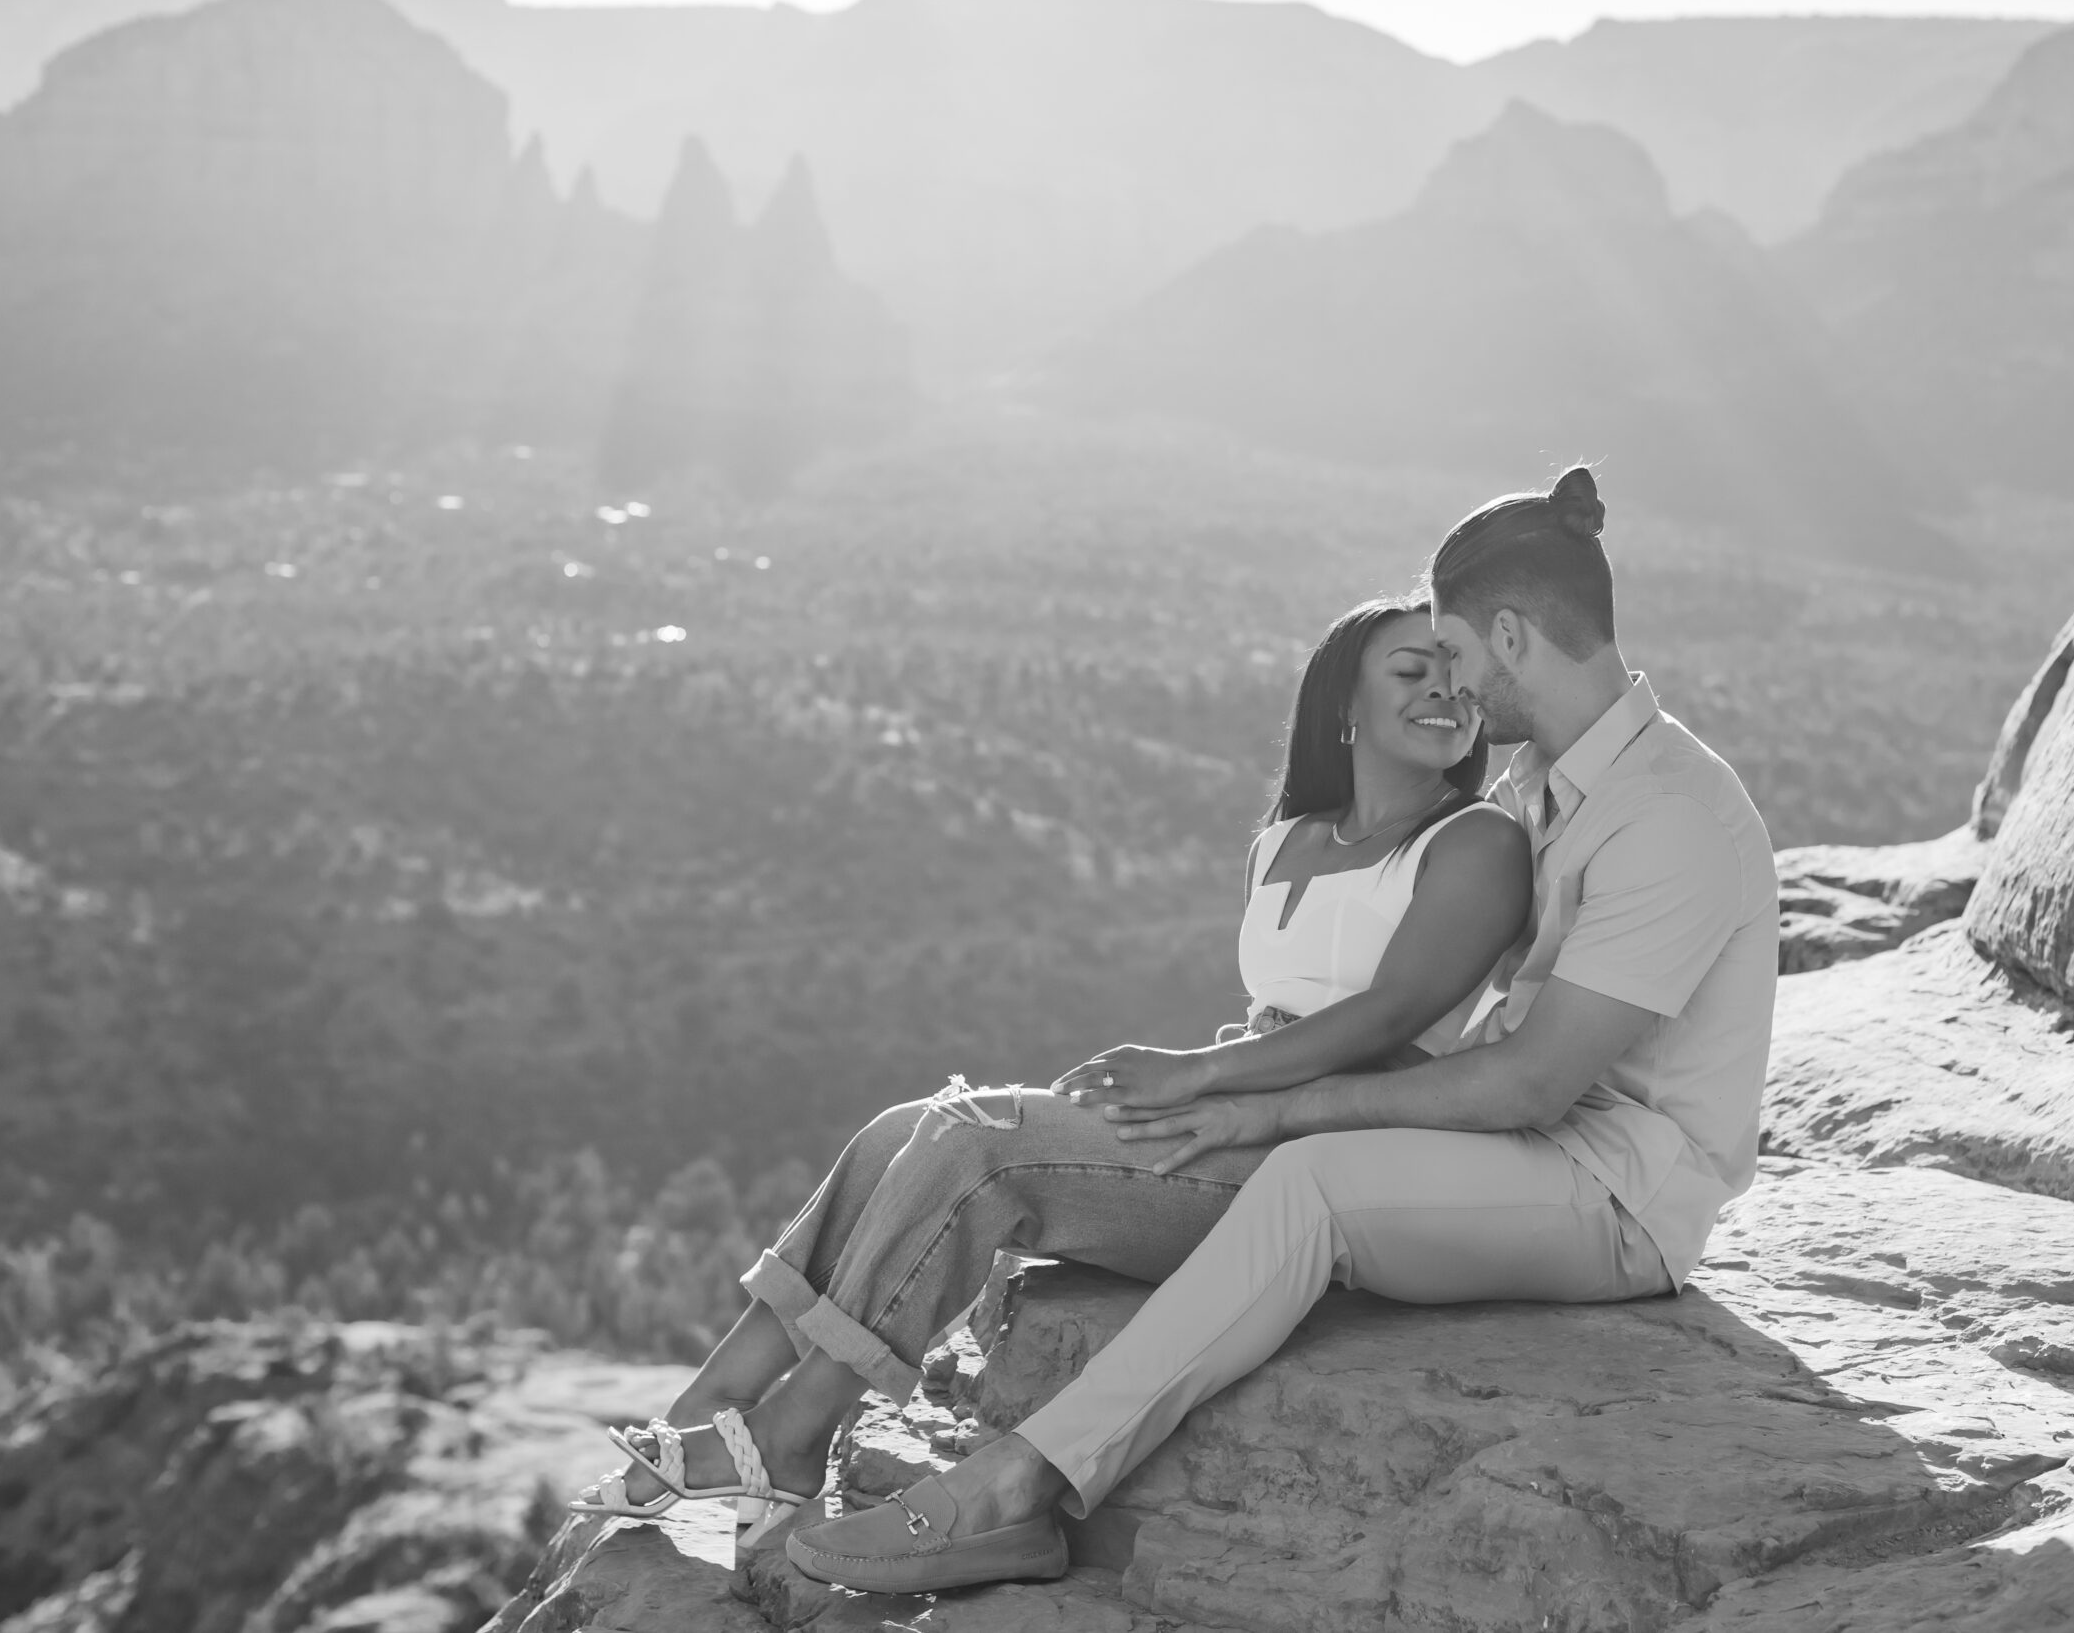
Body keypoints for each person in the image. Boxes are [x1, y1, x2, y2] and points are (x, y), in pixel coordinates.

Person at [780, 464, 1779, 1594]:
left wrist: (1272, 1105)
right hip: (1514, 1151)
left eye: (1450, 654)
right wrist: (1224, 1081)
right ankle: (787, 1419)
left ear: (1508, 636)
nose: (1446, 689)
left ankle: (1016, 1490)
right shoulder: (1539, 787)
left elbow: (1530, 1089)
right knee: (1185, 1152)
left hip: (1616, 1196)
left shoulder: (1670, 816)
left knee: (1307, 1183)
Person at [567, 594, 1533, 1545]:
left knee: (977, 1147)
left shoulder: (1476, 841)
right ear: (1343, 705)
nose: (1445, 692)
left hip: (1324, 1165)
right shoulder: (1286, 840)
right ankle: (715, 1398)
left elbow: (1391, 1014)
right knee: (902, 1128)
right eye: (1413, 670)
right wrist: (1199, 1081)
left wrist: (1196, 1075)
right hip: (1234, 1113)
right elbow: (1278, 1013)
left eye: (1459, 678)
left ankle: (789, 1434)